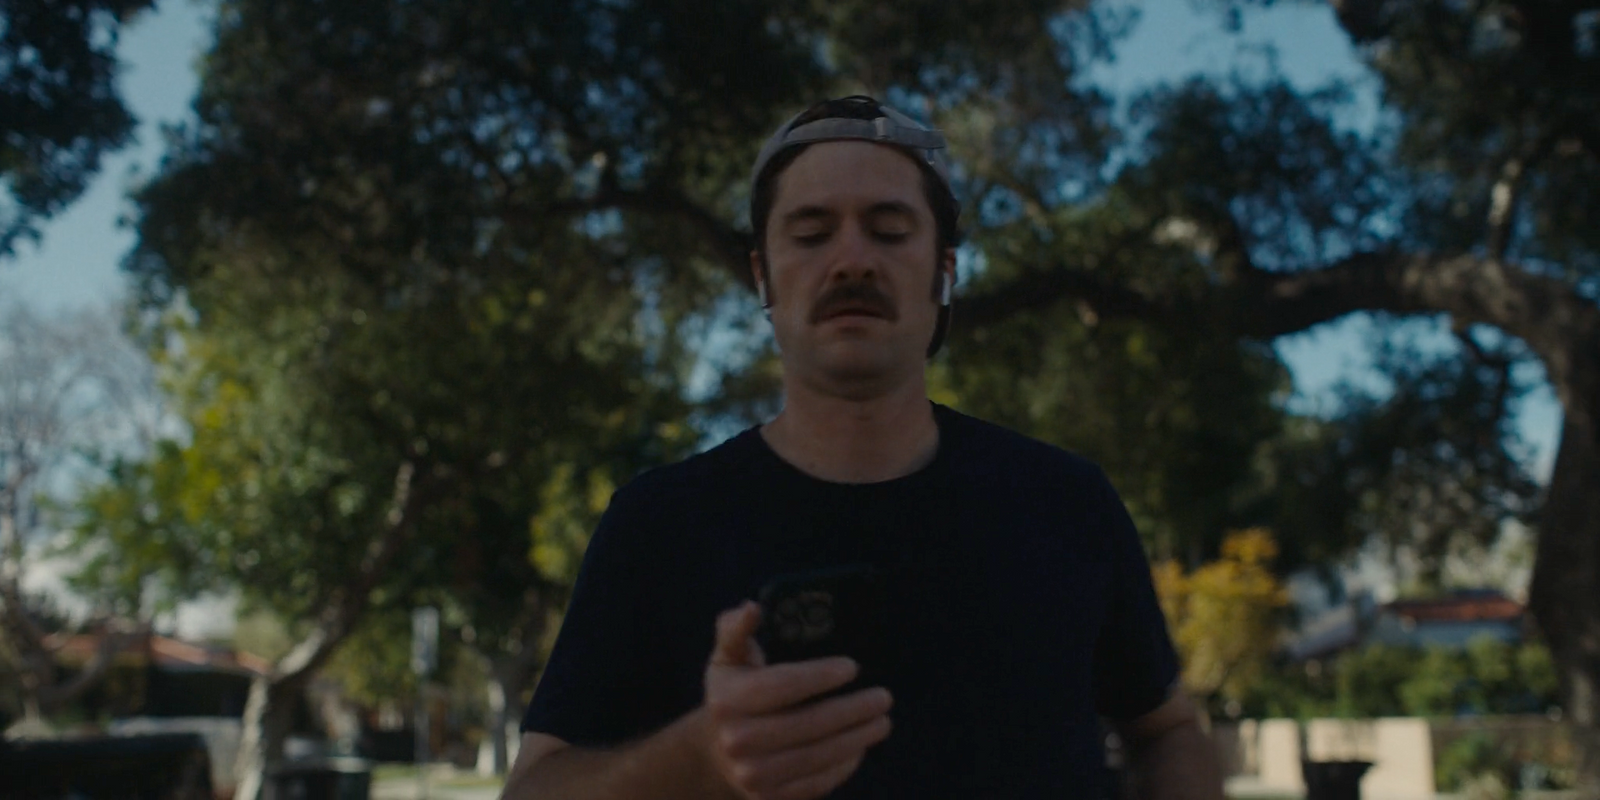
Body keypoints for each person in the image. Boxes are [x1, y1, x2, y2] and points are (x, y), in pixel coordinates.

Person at [501, 95, 1225, 800]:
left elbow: (1166, 732)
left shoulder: (1069, 504)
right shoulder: (655, 525)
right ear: (763, 278)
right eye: (812, 233)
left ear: (945, 272)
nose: (851, 260)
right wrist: (702, 758)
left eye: (888, 229)